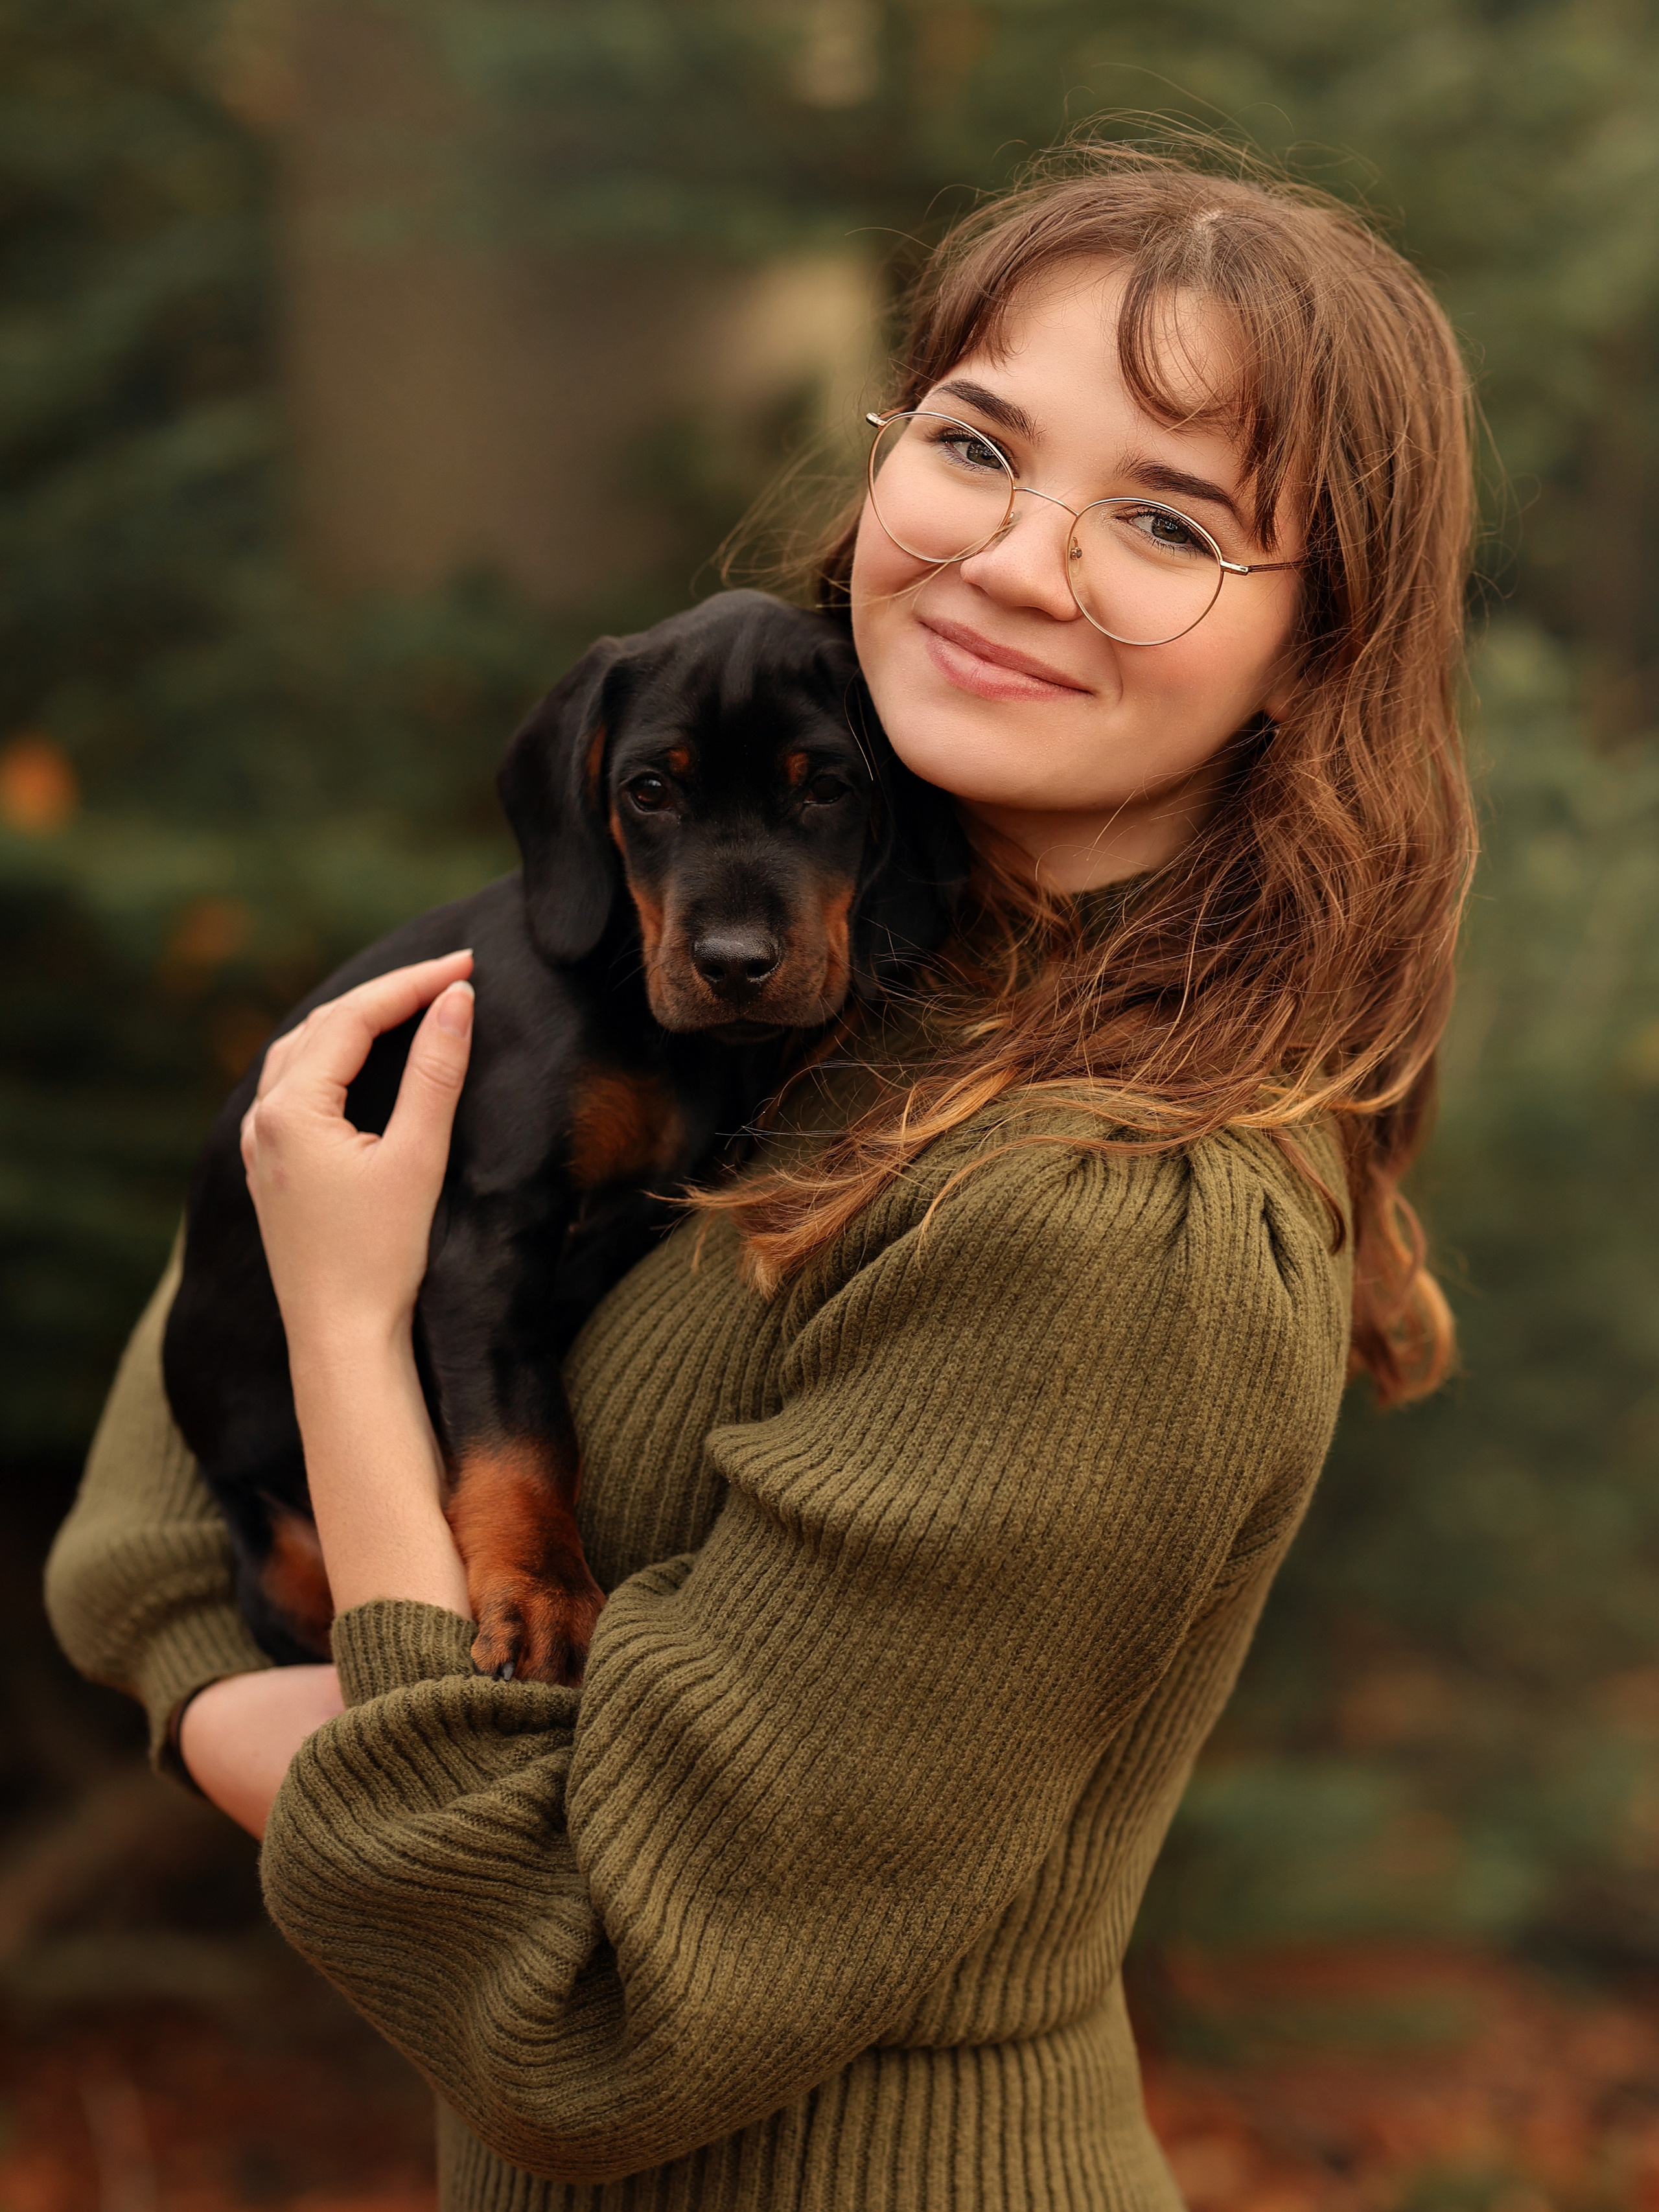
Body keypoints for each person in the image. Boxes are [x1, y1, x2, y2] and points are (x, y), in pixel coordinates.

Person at [46, 139, 1476, 2209]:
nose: (1017, 559)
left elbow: (587, 2012)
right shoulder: (812, 963)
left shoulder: (1104, 1228)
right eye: (979, 444)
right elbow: (152, 1483)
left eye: (1166, 520)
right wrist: (249, 1695)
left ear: (1314, 652)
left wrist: (356, 1371)